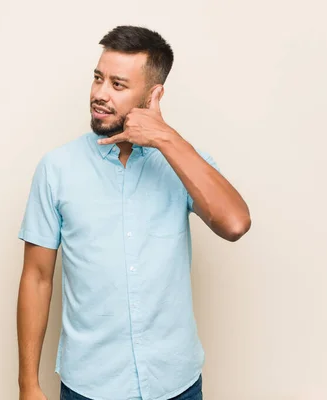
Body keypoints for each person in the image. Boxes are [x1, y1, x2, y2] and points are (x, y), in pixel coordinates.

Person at [16, 25, 251, 400]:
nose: (100, 95)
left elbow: (235, 223)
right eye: (98, 79)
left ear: (153, 95)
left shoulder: (183, 164)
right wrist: (28, 384)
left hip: (176, 384)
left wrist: (164, 137)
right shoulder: (56, 168)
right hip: (89, 386)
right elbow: (37, 277)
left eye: (118, 85)